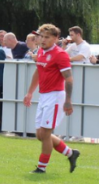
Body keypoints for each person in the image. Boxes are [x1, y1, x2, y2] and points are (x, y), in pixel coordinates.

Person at [22, 25, 80, 174]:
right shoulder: (41, 51)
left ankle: (41, 168)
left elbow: (69, 78)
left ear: (55, 39)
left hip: (55, 96)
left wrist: (68, 100)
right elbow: (38, 71)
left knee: (46, 134)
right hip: (44, 96)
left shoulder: (60, 54)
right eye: (41, 36)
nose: (42, 39)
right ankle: (70, 153)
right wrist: (29, 93)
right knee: (40, 135)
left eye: (46, 37)